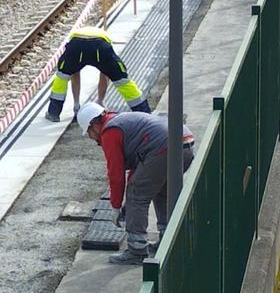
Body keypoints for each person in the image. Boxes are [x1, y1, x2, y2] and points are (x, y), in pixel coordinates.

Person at [76, 103, 194, 265]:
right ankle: (168, 240)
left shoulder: (110, 132)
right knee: (159, 190)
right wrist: (125, 203)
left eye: (88, 133)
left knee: (137, 195)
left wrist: (116, 206)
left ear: (93, 126)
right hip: (184, 143)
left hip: (164, 148)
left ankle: (136, 250)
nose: (91, 138)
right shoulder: (123, 121)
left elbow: (116, 174)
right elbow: (139, 167)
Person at [45, 26, 150, 122]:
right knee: (122, 81)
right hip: (100, 47)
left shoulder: (75, 34)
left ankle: (54, 113)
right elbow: (105, 75)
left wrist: (76, 104)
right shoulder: (105, 37)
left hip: (76, 46)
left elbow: (74, 74)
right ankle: (143, 112)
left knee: (62, 78)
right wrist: (100, 100)